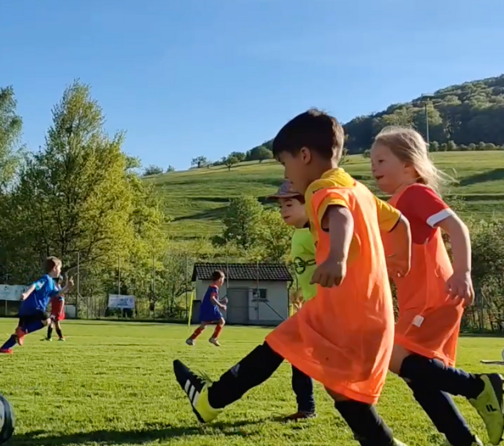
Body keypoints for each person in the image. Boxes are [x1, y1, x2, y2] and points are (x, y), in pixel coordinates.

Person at [173, 108, 413, 446]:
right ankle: (383, 443)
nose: (287, 173)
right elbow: (400, 221)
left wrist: (337, 258)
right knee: (337, 388)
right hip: (370, 312)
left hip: (341, 314)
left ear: (304, 156)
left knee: (278, 348)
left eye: (285, 164)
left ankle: (209, 401)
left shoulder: (320, 190)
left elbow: (339, 216)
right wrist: (402, 257)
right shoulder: (359, 190)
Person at [371, 126, 504, 446]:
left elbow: (457, 228)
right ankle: (463, 440)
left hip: (436, 295)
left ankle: (478, 387)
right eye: (371, 162)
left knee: (392, 355)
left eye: (381, 160)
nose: (373, 168)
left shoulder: (416, 193)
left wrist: (463, 272)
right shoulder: (396, 203)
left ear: (409, 166)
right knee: (416, 374)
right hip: (421, 298)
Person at [269, 179, 317, 421]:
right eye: (280, 207)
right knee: (297, 354)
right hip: (311, 307)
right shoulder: (298, 234)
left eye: (289, 204)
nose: (283, 211)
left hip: (328, 310)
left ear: (309, 205)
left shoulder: (317, 232)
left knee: (290, 349)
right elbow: (306, 267)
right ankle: (306, 408)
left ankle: (307, 408)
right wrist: (300, 291)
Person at [0, 257, 73, 354]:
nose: (60, 270)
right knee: (47, 320)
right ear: (54, 268)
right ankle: (23, 331)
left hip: (26, 309)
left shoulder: (51, 282)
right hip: (33, 308)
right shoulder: (46, 278)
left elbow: (57, 293)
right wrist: (26, 294)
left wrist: (68, 287)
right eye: (60, 268)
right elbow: (34, 285)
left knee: (19, 332)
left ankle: (5, 348)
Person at [186, 271, 228, 347]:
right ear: (219, 279)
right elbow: (212, 299)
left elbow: (211, 298)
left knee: (203, 325)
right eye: (223, 278)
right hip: (211, 308)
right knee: (222, 321)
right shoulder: (215, 288)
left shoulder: (211, 287)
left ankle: (191, 339)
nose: (223, 281)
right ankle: (214, 338)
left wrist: (221, 301)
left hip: (206, 307)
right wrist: (221, 305)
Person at [44, 277, 67, 341]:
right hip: (55, 308)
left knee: (53, 322)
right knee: (54, 322)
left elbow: (62, 300)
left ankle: (51, 337)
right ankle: (58, 337)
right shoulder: (55, 287)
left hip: (57, 308)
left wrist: (60, 310)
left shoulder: (59, 289)